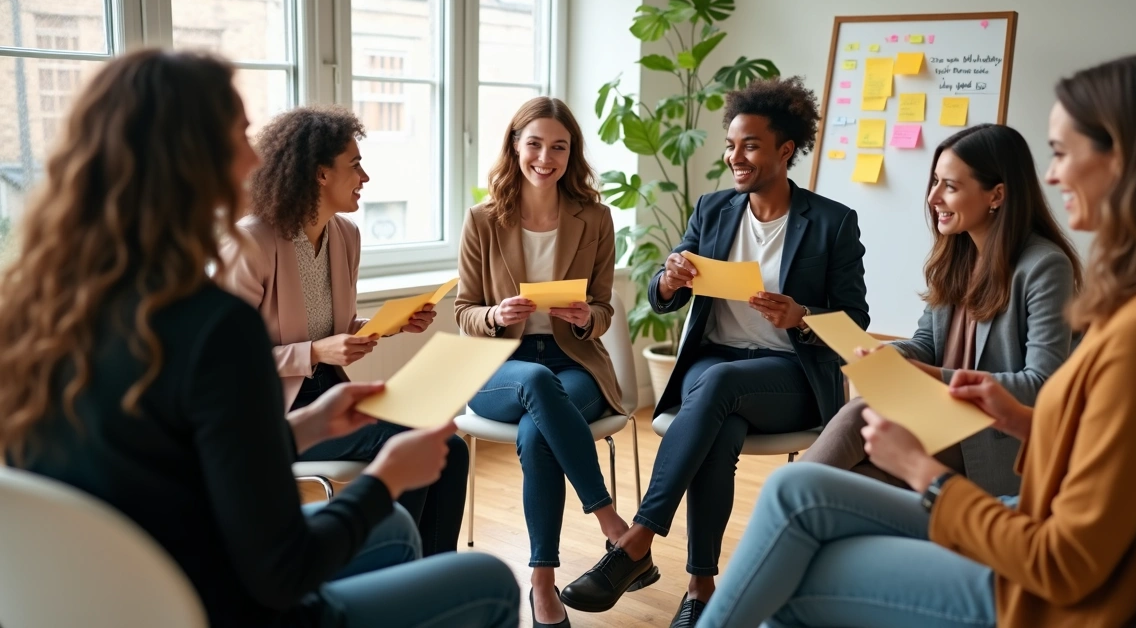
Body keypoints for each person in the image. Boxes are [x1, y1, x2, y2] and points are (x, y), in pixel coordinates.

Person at [0, 49, 519, 628]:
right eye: (239, 136)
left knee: (395, 528)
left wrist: (311, 423)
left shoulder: (41, 312)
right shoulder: (214, 326)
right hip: (219, 599)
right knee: (492, 580)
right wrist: (387, 477)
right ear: (190, 163)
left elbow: (172, 462)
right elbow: (282, 572)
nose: (253, 157)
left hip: (116, 590)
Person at [697, 54, 1136, 628]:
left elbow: (1064, 563)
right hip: (1033, 522)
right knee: (800, 500)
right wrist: (1008, 415)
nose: (1051, 174)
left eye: (1063, 153)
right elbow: (1107, 452)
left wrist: (926, 474)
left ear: (1127, 163)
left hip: (1040, 591)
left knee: (795, 554)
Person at [560, 76, 869, 627]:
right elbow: (660, 297)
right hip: (716, 367)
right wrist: (671, 277)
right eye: (730, 145)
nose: (734, 156)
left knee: (720, 387)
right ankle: (701, 590)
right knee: (719, 423)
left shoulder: (832, 223)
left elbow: (855, 325)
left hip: (790, 376)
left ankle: (636, 542)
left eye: (749, 144)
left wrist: (800, 316)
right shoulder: (714, 209)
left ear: (785, 150)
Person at [217, 106, 468, 556]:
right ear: (319, 175)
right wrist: (313, 353)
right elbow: (226, 360)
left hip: (333, 395)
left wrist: (385, 327)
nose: (365, 177)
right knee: (409, 442)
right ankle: (392, 567)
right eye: (355, 165)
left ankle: (429, 572)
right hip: (275, 416)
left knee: (449, 447)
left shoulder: (345, 235)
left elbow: (332, 328)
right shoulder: (250, 243)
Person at [801, 123, 1082, 496]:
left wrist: (931, 377)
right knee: (859, 480)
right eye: (934, 182)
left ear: (996, 195)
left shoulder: (1045, 266)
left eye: (949, 186)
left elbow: (1040, 385)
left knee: (859, 415)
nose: (933, 197)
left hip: (996, 439)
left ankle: (777, 506)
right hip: (941, 423)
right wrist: (889, 355)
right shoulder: (957, 256)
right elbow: (926, 342)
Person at [455, 96, 649, 628]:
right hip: (503, 367)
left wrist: (588, 315)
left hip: (574, 361)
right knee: (536, 381)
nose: (546, 156)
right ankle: (615, 527)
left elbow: (606, 307)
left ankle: (542, 579)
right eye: (534, 144)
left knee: (539, 434)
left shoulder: (595, 218)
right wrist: (495, 314)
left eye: (559, 147)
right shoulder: (483, 220)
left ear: (572, 154)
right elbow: (462, 312)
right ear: (515, 147)